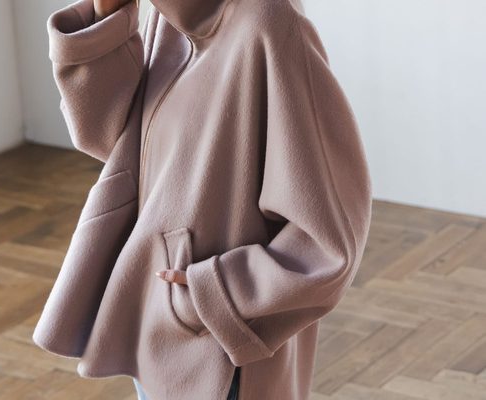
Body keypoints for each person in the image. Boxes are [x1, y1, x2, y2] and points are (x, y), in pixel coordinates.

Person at [32, 0, 372, 399]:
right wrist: (106, 18)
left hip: (217, 344)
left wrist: (212, 292)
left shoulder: (270, 24)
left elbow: (331, 239)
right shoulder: (169, 19)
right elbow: (116, 141)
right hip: (156, 317)